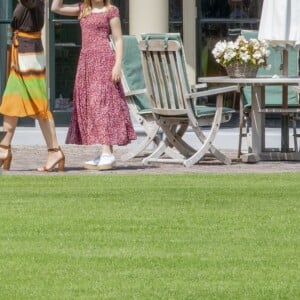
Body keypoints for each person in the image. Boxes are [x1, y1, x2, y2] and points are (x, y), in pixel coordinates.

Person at [51, 0, 137, 170]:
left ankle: (107, 152)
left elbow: (118, 40)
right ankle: (106, 153)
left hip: (104, 61)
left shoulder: (111, 11)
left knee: (103, 105)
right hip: (86, 63)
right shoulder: (83, 9)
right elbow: (56, 7)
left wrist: (118, 64)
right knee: (93, 106)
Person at [0, 0, 65, 172]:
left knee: (39, 105)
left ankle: (54, 151)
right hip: (20, 53)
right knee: (10, 102)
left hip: (29, 55)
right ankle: (4, 148)